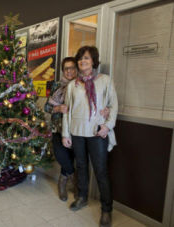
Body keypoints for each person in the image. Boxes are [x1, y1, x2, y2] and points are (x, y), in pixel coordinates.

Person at [62, 46, 117, 227]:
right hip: (77, 132)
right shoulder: (72, 85)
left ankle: (106, 209)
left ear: (93, 61)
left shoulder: (105, 81)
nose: (82, 61)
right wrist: (65, 134)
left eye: (86, 58)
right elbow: (67, 112)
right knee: (82, 167)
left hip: (96, 133)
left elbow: (113, 106)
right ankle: (82, 197)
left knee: (101, 171)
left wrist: (107, 126)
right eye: (80, 59)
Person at [44, 57, 77, 201]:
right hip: (58, 128)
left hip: (75, 129)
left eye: (72, 68)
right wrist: (57, 107)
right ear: (63, 70)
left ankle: (62, 183)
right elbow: (46, 107)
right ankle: (74, 180)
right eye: (66, 68)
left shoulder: (80, 85)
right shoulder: (57, 85)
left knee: (70, 157)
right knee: (61, 155)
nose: (69, 71)